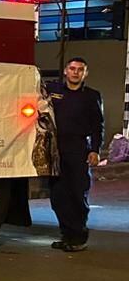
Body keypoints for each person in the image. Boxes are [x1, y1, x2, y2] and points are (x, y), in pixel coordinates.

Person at [45, 57, 104, 251]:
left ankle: (78, 237)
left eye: (80, 69)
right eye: (72, 68)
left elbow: (97, 126)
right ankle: (67, 235)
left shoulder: (91, 96)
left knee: (77, 194)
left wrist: (95, 150)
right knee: (58, 196)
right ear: (65, 71)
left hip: (78, 149)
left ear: (85, 73)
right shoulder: (54, 91)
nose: (75, 72)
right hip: (56, 150)